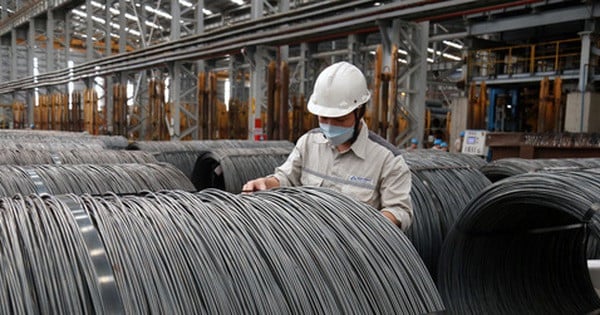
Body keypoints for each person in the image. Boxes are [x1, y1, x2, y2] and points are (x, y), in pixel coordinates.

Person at [242, 61, 413, 230]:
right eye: (323, 118)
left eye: (340, 119)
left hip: (354, 251)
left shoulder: (388, 160)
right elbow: (287, 178)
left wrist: (368, 229)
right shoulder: (308, 142)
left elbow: (399, 210)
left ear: (360, 111)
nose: (330, 126)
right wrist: (266, 183)